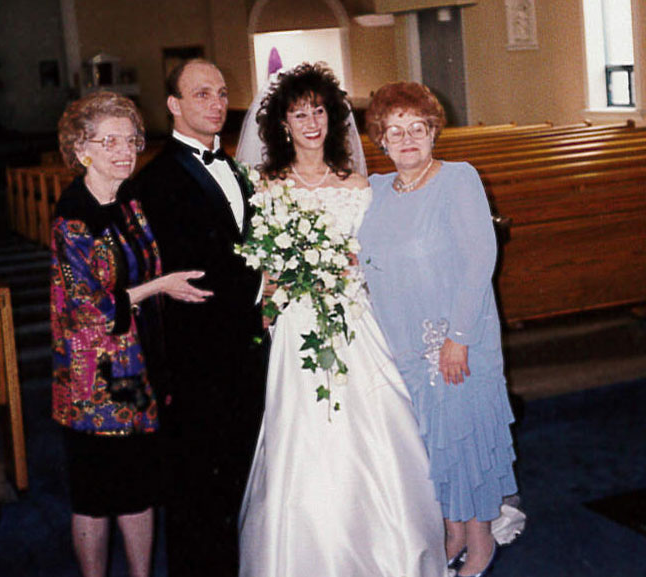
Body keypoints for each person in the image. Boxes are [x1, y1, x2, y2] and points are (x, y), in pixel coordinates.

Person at [237, 62, 447, 577]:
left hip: (354, 317)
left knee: (377, 423)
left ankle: (391, 549)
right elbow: (260, 263)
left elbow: (377, 256)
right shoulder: (266, 186)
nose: (311, 122)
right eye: (299, 113)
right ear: (282, 124)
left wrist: (351, 266)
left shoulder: (357, 185)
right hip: (296, 325)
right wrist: (274, 293)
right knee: (301, 432)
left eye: (318, 111)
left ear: (332, 117)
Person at [358, 82, 519, 577]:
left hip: (453, 340)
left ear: (433, 132)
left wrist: (458, 338)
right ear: (380, 139)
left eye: (417, 128)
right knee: (430, 445)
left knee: (463, 439)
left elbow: (480, 260)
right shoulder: (375, 190)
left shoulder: (458, 179)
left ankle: (480, 541)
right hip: (399, 341)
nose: (407, 138)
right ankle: (452, 531)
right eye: (395, 130)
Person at [51, 91, 211, 577]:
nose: (125, 151)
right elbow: (88, 308)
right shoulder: (72, 216)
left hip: (139, 370)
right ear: (82, 148)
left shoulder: (131, 202)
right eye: (110, 142)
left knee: (140, 489)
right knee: (95, 498)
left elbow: (157, 261)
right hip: (92, 383)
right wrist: (160, 287)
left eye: (131, 140)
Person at [130, 59, 266, 577]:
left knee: (240, 480)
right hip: (197, 359)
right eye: (202, 93)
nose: (216, 103)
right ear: (174, 105)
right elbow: (190, 269)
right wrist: (263, 288)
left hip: (245, 350)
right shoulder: (156, 180)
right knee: (198, 494)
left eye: (222, 93)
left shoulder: (236, 168)